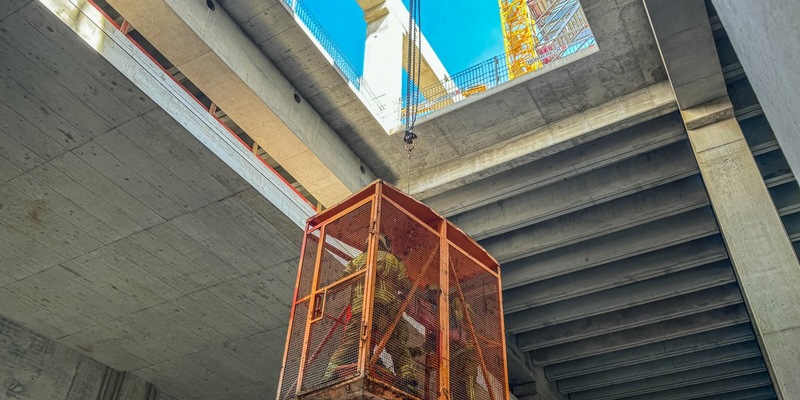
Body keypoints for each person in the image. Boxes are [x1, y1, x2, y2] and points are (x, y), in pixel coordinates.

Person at [324, 233, 418, 394]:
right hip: (386, 308)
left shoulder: (356, 261)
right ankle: (408, 380)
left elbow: (343, 280)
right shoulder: (394, 260)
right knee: (396, 345)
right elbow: (404, 283)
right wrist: (414, 294)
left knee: (351, 342)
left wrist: (330, 291)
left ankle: (329, 374)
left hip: (361, 309)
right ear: (385, 245)